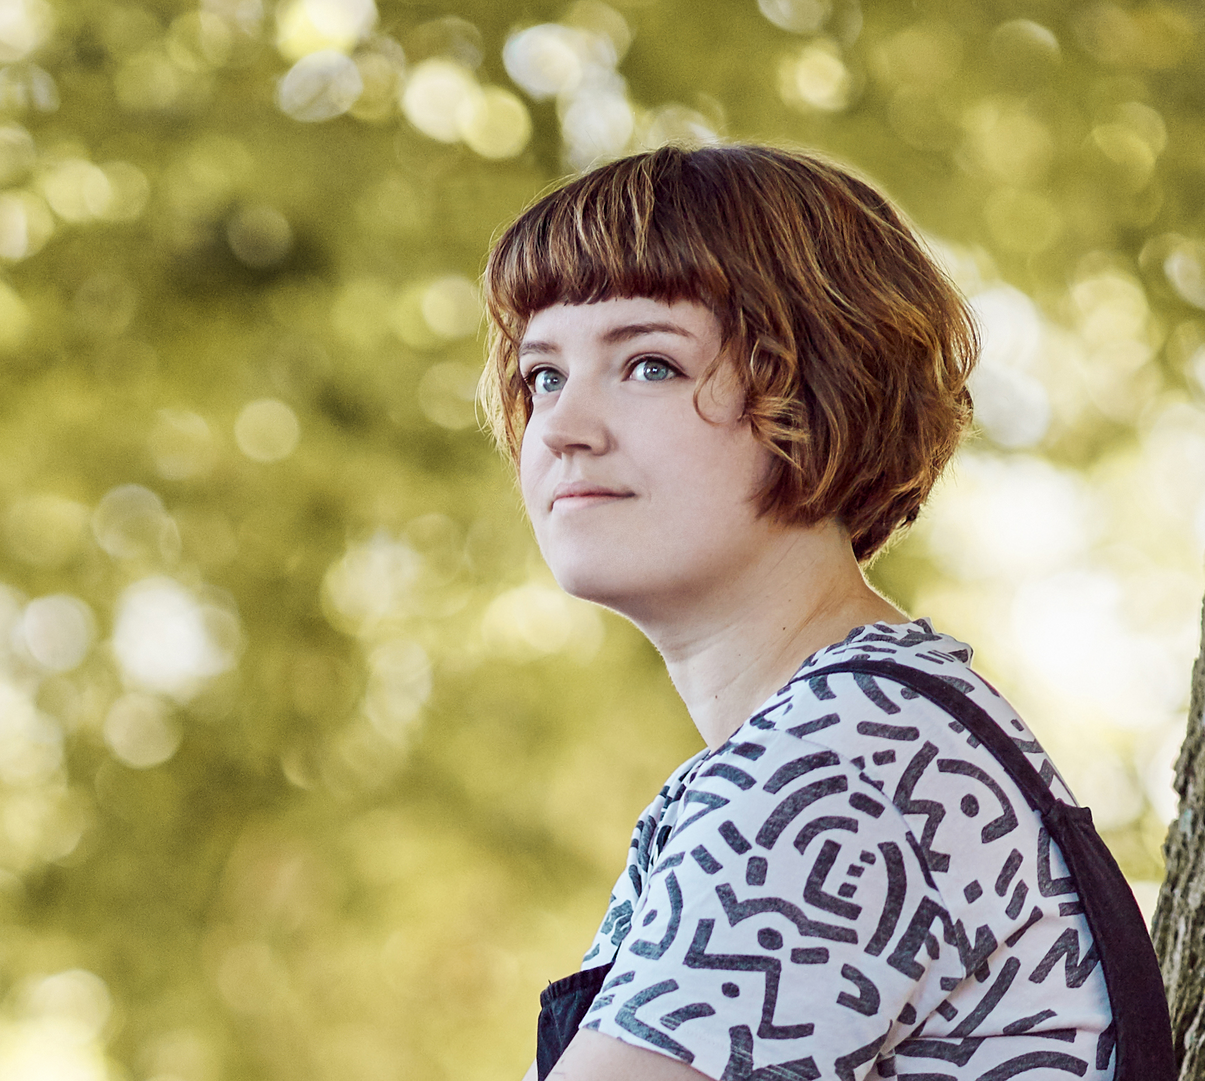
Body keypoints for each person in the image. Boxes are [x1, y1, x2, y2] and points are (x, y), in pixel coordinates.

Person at [480, 145, 1136, 1081]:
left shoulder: (840, 764)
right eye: (543, 375)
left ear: (820, 390)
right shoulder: (874, 729)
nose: (561, 426)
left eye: (651, 364)